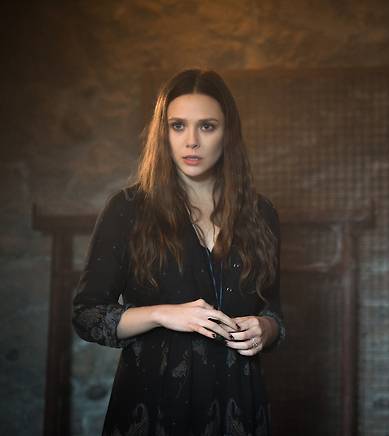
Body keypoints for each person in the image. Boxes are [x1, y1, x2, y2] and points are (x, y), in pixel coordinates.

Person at [72, 69, 285, 436]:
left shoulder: (260, 213)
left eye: (207, 126)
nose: (191, 141)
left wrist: (266, 328)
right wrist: (163, 314)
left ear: (228, 133)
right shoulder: (127, 209)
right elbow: (87, 315)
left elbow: (273, 310)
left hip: (239, 403)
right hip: (153, 405)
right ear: (163, 133)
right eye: (178, 126)